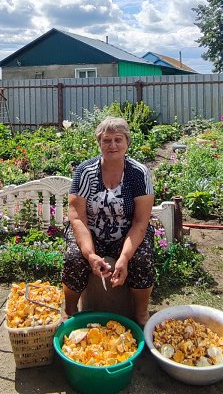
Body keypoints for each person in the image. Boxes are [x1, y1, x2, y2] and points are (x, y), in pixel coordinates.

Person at [62, 116, 155, 326]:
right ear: (99, 143)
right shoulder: (85, 172)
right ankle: (69, 312)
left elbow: (140, 221)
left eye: (118, 139)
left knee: (142, 260)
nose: (112, 145)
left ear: (127, 143)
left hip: (127, 233)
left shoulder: (138, 173)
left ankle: (141, 314)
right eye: (106, 140)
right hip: (91, 232)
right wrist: (90, 254)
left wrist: (124, 257)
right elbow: (77, 217)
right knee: (74, 257)